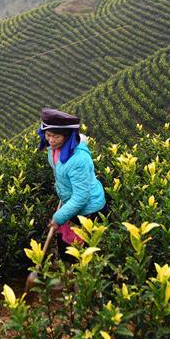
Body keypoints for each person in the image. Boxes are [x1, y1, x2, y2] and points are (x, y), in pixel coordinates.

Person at [38, 108, 106, 262]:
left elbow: (81, 196)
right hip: (71, 204)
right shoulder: (54, 148)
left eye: (56, 136)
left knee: (79, 255)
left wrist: (59, 217)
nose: (51, 140)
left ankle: (78, 282)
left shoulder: (78, 160)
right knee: (66, 250)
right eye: (48, 135)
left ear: (67, 136)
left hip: (88, 209)